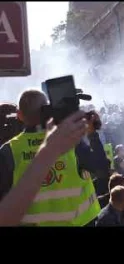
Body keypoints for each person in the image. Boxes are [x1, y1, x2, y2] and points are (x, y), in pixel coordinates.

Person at [0, 89, 102, 226]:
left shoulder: (7, 152)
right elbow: (101, 169)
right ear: (48, 111)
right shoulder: (69, 139)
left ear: (19, 115)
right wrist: (92, 133)